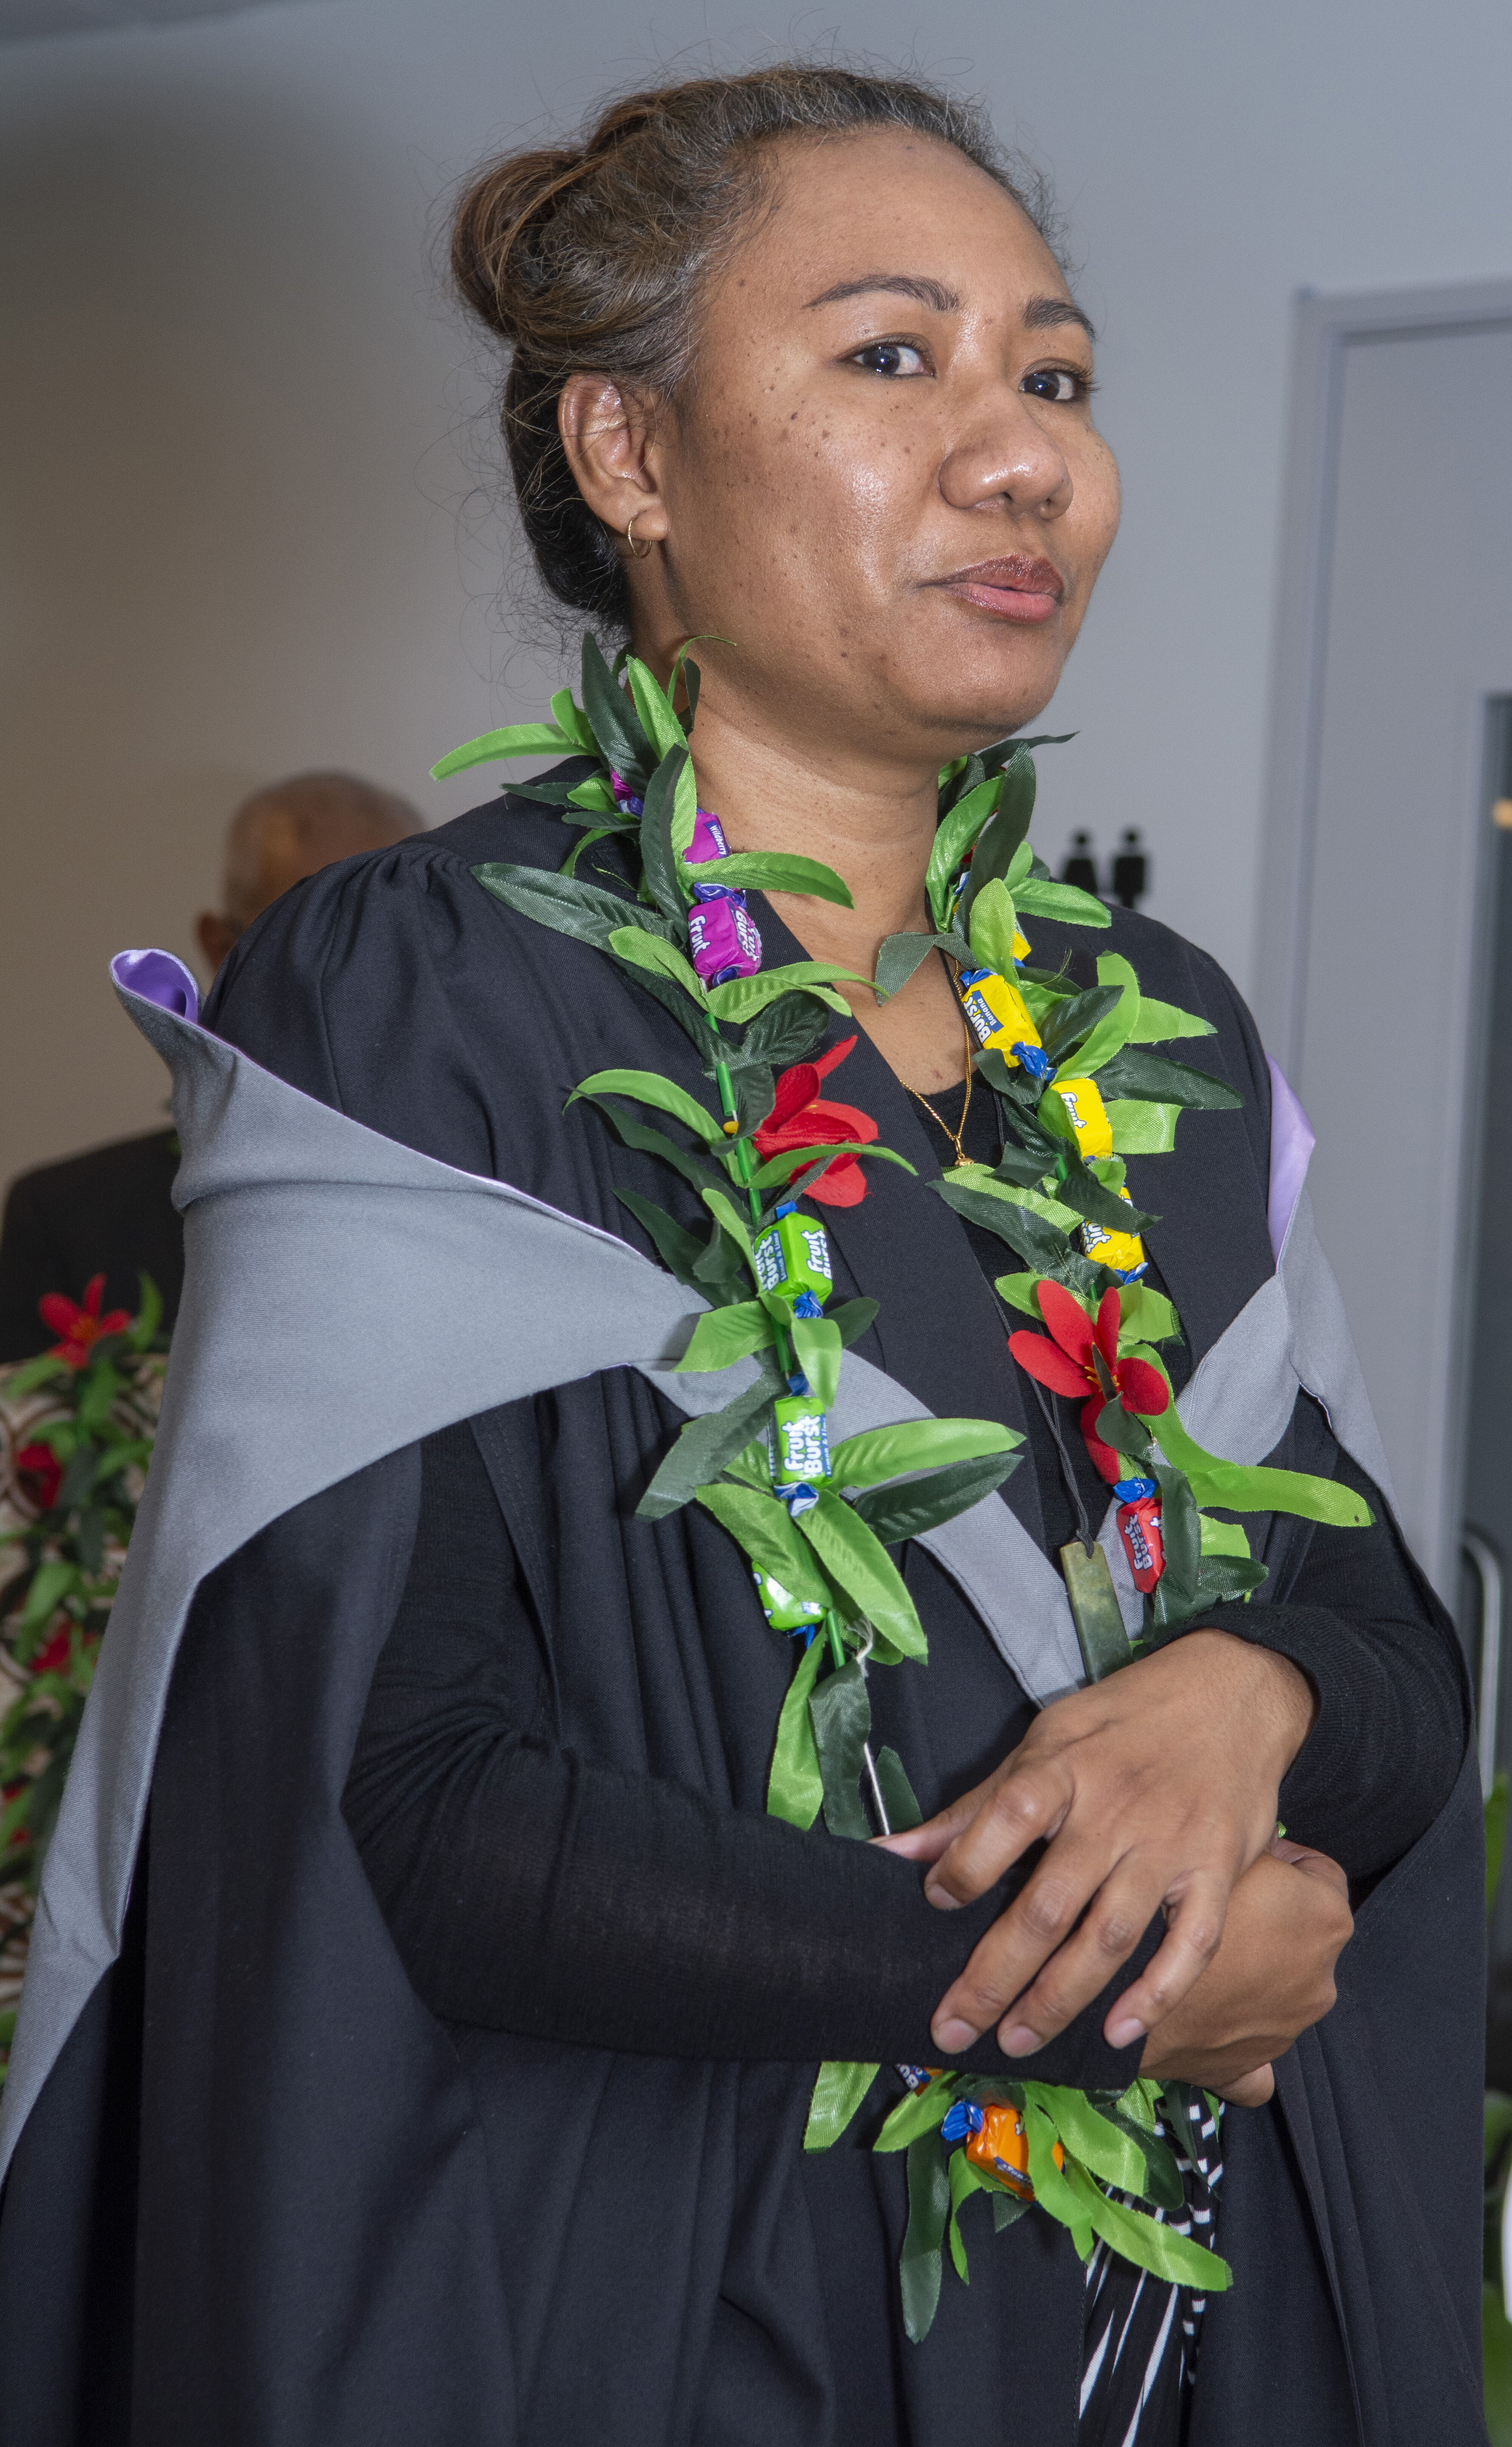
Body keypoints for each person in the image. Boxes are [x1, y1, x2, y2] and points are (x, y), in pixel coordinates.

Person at [0, 65, 1482, 2447]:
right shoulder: (432, 989)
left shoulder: (1157, 1030)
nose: (1021, 456)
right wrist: (1110, 1983)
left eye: (1056, 377)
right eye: (893, 356)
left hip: (1149, 2336)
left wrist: (1261, 1693)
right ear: (631, 455)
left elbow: (1396, 1647)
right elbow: (408, 1800)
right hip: (678, 2311)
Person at [0, 772, 418, 1356]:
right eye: (307, 940)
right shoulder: (68, 1221)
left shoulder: (515, 1191)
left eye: (393, 942)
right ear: (222, 948)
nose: (353, 983)